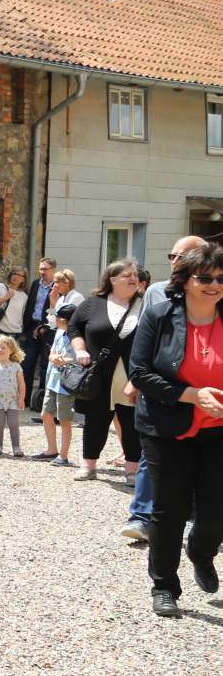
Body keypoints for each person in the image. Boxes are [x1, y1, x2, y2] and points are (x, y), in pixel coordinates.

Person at [127, 242, 223, 618]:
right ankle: (165, 585)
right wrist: (192, 395)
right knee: (169, 509)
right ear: (185, 280)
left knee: (215, 507)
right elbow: (140, 372)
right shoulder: (159, 314)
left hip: (219, 429)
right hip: (167, 426)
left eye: (220, 278)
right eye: (205, 278)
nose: (214, 284)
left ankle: (200, 551)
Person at [118, 235, 209, 542]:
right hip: (164, 392)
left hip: (207, 398)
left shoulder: (214, 294)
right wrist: (135, 380)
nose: (174, 262)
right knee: (152, 454)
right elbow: (144, 345)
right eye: (172, 256)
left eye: (181, 257)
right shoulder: (157, 293)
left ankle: (197, 524)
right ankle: (142, 516)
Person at [68, 259, 143, 485]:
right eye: (127, 275)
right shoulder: (93, 303)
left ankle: (133, 470)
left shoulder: (146, 304)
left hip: (134, 377)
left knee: (132, 425)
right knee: (95, 422)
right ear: (112, 279)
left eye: (135, 275)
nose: (133, 279)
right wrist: (80, 349)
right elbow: (73, 328)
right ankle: (88, 466)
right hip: (99, 377)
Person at [36, 303, 79, 466]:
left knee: (64, 419)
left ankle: (63, 455)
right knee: (46, 414)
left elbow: (80, 357)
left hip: (67, 383)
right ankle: (51, 449)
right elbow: (52, 352)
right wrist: (54, 357)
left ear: (63, 320)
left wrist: (63, 360)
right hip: (53, 381)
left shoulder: (78, 336)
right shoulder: (59, 332)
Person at [22, 257, 58, 412]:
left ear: (53, 270)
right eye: (41, 269)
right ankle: (24, 399)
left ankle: (41, 402)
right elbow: (31, 305)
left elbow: (56, 309)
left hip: (48, 329)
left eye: (45, 269)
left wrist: (45, 325)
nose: (42, 272)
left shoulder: (57, 287)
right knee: (27, 364)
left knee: (45, 365)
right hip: (32, 327)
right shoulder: (36, 284)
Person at [0, 333, 27, 458]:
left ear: (11, 349)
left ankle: (16, 447)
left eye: (3, 347)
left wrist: (21, 398)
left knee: (13, 423)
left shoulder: (16, 366)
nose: (0, 350)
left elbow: (21, 383)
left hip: (13, 399)